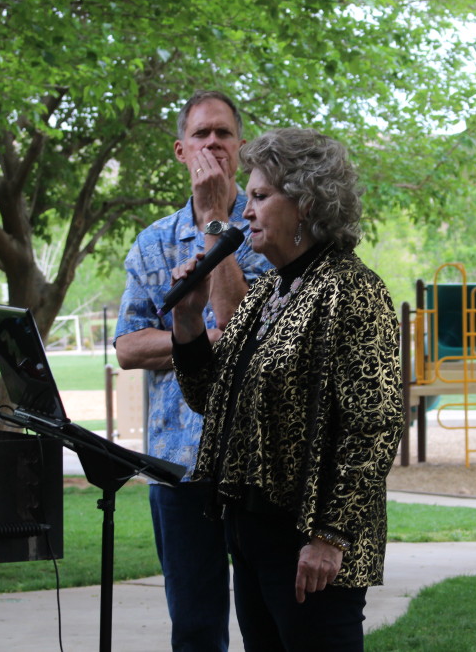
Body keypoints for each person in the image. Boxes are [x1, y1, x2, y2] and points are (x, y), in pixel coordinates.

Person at [169, 128, 404, 651]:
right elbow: (212, 400)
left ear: (306, 204)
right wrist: (187, 324)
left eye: (259, 197)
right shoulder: (265, 296)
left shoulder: (352, 291)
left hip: (311, 547)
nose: (244, 212)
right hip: (252, 532)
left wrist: (330, 536)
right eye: (246, 197)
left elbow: (376, 425)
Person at [114, 90, 271, 652]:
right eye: (201, 135)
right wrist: (206, 340)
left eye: (223, 134)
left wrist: (214, 222)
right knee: (197, 628)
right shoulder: (154, 242)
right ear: (182, 151)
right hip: (177, 467)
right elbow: (129, 347)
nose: (213, 144)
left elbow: (248, 327)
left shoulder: (269, 232)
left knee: (267, 623)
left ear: (241, 147)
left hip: (256, 466)